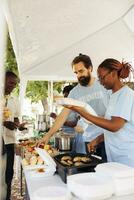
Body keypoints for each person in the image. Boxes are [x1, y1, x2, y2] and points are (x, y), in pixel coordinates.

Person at [64, 58, 134, 167]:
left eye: (102, 77)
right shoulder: (113, 96)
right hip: (115, 157)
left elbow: (114, 126)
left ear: (113, 74)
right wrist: (97, 140)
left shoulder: (126, 95)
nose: (100, 82)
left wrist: (81, 111)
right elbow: (111, 127)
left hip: (127, 159)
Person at [38, 54, 109, 157]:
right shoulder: (74, 93)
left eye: (81, 71)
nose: (79, 75)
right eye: (76, 73)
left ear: (90, 68)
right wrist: (47, 136)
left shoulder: (104, 84)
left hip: (107, 137)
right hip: (89, 140)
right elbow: (63, 116)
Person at [3, 71, 26, 200]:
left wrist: (19, 125)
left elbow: (16, 118)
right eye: (10, 83)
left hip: (9, 141)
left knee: (8, 174)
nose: (12, 86)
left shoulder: (15, 100)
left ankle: (7, 197)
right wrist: (4, 123)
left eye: (15, 84)